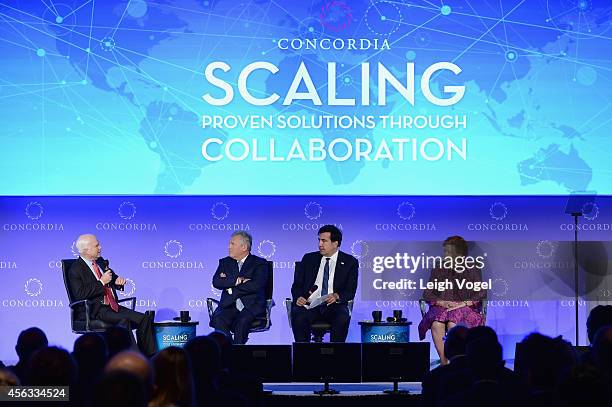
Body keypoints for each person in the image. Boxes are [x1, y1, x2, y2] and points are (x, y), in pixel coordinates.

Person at [68, 234, 156, 356]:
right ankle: (133, 359)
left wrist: (117, 281)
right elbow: (80, 294)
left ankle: (149, 357)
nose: (100, 247)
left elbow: (112, 278)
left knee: (144, 319)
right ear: (86, 250)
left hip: (113, 306)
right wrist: (102, 282)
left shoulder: (100, 261)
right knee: (124, 321)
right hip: (96, 309)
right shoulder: (75, 269)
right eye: (96, 245)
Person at [418, 236, 486, 364]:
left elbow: (481, 291)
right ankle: (444, 364)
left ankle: (458, 362)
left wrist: (464, 303)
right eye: (445, 251)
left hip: (464, 308)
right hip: (443, 307)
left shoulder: (472, 268)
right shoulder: (439, 268)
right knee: (436, 324)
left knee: (452, 324)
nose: (445, 255)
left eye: (448, 252)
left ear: (459, 253)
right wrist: (441, 302)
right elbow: (427, 292)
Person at [290, 225, 359, 342]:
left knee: (342, 316)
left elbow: (350, 290)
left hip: (333, 305)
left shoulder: (349, 262)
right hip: (310, 305)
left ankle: (336, 354)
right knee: (298, 314)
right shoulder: (308, 259)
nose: (320, 244)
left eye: (324, 241)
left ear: (335, 243)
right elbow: (297, 285)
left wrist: (337, 296)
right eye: (319, 240)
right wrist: (299, 297)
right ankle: (302, 354)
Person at [210, 231, 268, 344]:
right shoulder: (225, 262)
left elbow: (256, 285)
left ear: (244, 247)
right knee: (218, 319)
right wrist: (238, 281)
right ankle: (230, 349)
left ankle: (238, 354)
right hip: (229, 305)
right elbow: (217, 282)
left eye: (232, 244)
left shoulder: (260, 263)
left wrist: (231, 288)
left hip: (251, 305)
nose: (229, 247)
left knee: (242, 321)